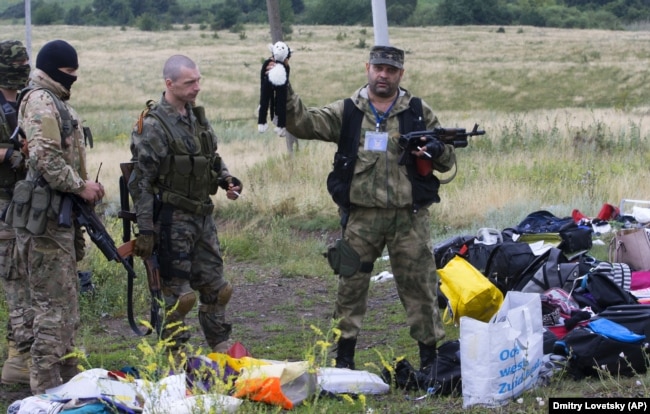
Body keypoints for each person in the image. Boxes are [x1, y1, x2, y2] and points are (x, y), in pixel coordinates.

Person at [281, 45, 457, 371]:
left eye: (391, 70)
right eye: (378, 68)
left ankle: (431, 361)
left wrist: (436, 149)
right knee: (349, 286)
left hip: (410, 218)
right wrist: (283, 88)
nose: (383, 75)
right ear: (367, 68)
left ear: (400, 74)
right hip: (359, 219)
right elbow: (302, 123)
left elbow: (447, 162)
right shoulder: (348, 111)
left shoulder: (417, 111)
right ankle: (343, 361)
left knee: (421, 287)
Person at [129, 54, 241, 355]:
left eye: (198, 80)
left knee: (218, 289)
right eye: (190, 82)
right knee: (179, 297)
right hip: (171, 220)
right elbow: (139, 181)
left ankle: (220, 347)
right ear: (170, 84)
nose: (197, 87)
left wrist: (227, 179)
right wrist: (146, 230)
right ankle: (176, 355)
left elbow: (210, 158)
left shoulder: (196, 117)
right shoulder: (152, 126)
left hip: (202, 217)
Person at [13, 39, 104, 394]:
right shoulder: (40, 101)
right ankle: (45, 386)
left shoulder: (52, 100)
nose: (72, 80)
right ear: (52, 69)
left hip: (57, 215)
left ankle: (67, 379)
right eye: (68, 73)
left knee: (65, 301)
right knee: (53, 306)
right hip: (46, 218)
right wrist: (80, 186)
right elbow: (45, 158)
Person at [0, 39, 32, 385]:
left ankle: (23, 356)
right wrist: (11, 155)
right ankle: (18, 360)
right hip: (5, 204)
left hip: (34, 203)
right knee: (15, 282)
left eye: (25, 62)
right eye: (15, 63)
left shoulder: (29, 98)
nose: (21, 68)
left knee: (32, 281)